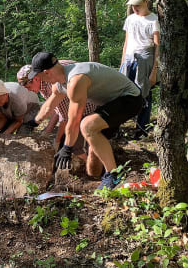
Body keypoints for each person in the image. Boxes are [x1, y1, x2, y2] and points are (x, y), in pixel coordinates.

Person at [28, 52, 142, 190]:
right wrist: (34, 122)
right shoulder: (60, 83)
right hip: (110, 104)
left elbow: (74, 120)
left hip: (130, 98)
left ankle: (113, 175)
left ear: (46, 73)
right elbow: (48, 106)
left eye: (38, 76)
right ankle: (99, 179)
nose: (40, 80)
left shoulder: (76, 80)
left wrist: (67, 147)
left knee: (87, 125)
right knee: (93, 153)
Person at [17, 64, 102, 177]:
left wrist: (56, 141)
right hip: (82, 107)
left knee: (76, 146)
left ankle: (97, 173)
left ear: (35, 79)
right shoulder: (43, 84)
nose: (28, 90)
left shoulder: (51, 85)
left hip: (89, 108)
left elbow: (65, 118)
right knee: (73, 144)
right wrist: (47, 130)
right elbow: (56, 110)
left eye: (27, 86)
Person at [120, 0, 160, 139]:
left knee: (143, 94)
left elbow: (157, 46)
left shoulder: (153, 20)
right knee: (123, 92)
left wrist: (154, 71)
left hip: (145, 57)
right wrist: (122, 62)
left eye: (138, 4)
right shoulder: (130, 19)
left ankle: (141, 130)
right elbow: (126, 41)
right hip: (129, 57)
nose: (134, 8)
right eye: (132, 5)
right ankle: (118, 125)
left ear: (145, 2)